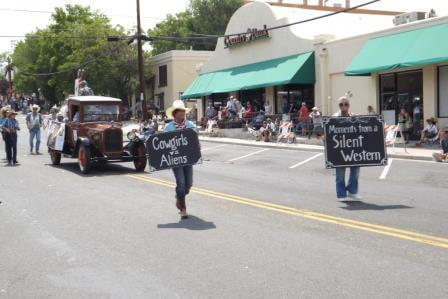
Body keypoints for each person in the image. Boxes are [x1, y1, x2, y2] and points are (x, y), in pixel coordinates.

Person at [164, 100, 198, 220]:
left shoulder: (190, 125)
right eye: (181, 111)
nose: (183, 113)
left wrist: (197, 147)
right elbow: (165, 144)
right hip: (176, 159)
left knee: (188, 183)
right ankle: (183, 209)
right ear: (175, 113)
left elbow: (195, 139)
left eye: (184, 111)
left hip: (188, 158)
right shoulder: (168, 127)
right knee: (181, 182)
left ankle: (179, 197)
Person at [334, 96, 361, 202]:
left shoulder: (354, 117)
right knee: (340, 174)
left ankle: (352, 191)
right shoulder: (334, 118)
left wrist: (361, 120)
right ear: (338, 106)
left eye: (346, 104)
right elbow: (327, 132)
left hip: (353, 148)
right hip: (339, 149)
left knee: (356, 170)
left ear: (349, 105)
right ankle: (341, 194)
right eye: (341, 104)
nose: (343, 106)